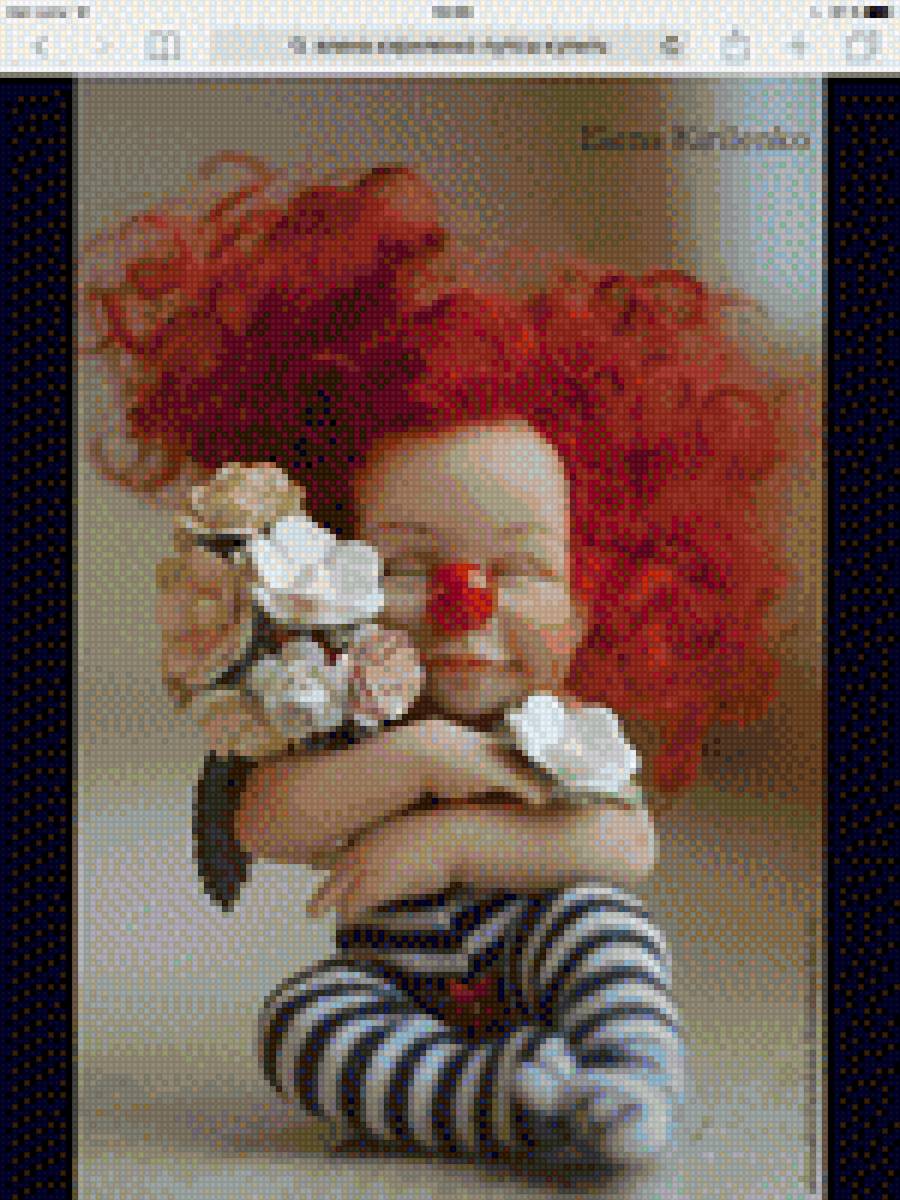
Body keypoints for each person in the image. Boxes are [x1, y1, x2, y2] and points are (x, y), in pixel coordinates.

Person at [79, 158, 794, 1168]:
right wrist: (424, 761)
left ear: (589, 610)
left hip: (542, 950)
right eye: (412, 567)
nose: (467, 603)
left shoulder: (561, 731)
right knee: (303, 1021)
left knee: (610, 935)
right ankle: (502, 1098)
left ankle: (625, 1085)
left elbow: (624, 842)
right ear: (325, 575)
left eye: (521, 571)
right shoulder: (337, 710)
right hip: (396, 984)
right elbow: (267, 821)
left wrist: (452, 846)